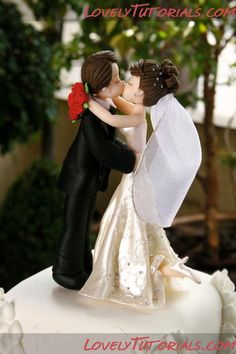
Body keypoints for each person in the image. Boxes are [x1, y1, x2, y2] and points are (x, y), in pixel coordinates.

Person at [79, 59, 202, 308]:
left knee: (127, 226)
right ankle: (166, 266)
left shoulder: (137, 117)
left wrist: (90, 103)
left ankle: (148, 270)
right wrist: (110, 96)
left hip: (136, 177)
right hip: (136, 174)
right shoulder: (139, 110)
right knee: (140, 228)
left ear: (142, 93)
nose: (125, 83)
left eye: (131, 83)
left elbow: (113, 120)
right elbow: (119, 103)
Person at [52, 51, 137, 290]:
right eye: (116, 80)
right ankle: (65, 270)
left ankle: (82, 265)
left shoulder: (105, 105)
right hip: (79, 178)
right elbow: (102, 149)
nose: (121, 83)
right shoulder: (91, 115)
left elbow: (108, 142)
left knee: (84, 222)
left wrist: (127, 151)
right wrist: (130, 158)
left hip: (88, 178)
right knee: (74, 225)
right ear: (101, 88)